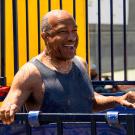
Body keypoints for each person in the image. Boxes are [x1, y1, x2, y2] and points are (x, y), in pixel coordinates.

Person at [0, 9, 135, 125]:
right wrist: (8, 109)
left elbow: (89, 100)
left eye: (74, 30)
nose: (72, 38)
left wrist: (117, 99)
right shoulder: (31, 73)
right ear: (46, 37)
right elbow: (9, 103)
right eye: (63, 32)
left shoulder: (80, 63)